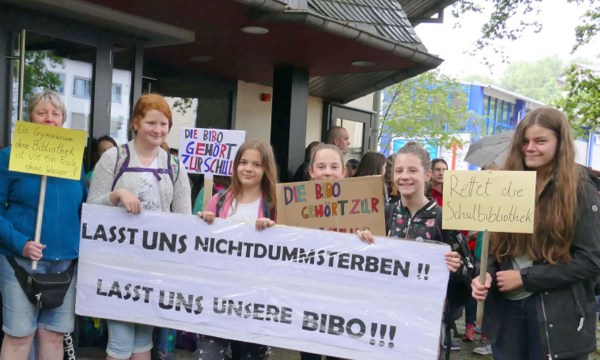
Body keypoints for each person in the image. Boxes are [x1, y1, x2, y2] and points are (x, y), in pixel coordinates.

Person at [471, 107, 600, 360]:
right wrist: (485, 273)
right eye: (525, 141)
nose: (530, 148)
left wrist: (526, 278)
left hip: (559, 317)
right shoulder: (507, 184)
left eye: (540, 141)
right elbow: (496, 250)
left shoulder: (580, 189)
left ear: (560, 143)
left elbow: (591, 260)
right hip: (507, 315)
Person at [88, 93, 192, 360]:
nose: (158, 130)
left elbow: (183, 220)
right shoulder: (114, 157)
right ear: (136, 122)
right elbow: (91, 209)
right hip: (117, 265)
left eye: (164, 124)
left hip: (156, 267)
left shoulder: (175, 166)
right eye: (151, 123)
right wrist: (117, 195)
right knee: (121, 339)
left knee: (143, 339)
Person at [357, 142, 471, 352]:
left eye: (412, 170)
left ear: (427, 175)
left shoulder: (443, 218)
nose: (404, 176)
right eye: (399, 171)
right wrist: (363, 239)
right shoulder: (384, 214)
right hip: (382, 318)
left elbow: (468, 274)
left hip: (424, 324)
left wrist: (457, 268)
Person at [0, 90, 88, 360]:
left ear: (63, 120)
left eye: (56, 113)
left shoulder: (75, 160)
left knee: (53, 337)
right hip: (21, 262)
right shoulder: (8, 156)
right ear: (29, 118)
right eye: (42, 112)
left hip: (65, 264)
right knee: (18, 337)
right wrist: (21, 243)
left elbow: (83, 206)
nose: (49, 119)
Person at [196, 139, 277, 360]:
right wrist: (205, 223)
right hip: (217, 300)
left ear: (266, 169)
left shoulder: (276, 204)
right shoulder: (219, 201)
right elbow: (202, 246)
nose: (248, 169)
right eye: (243, 162)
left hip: (257, 303)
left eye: (256, 164)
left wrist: (273, 230)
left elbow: (288, 247)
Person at [300, 143, 348, 360]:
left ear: (343, 172)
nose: (327, 172)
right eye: (321, 166)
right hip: (307, 298)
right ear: (311, 172)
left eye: (334, 166)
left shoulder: (362, 208)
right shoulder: (295, 205)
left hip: (343, 300)